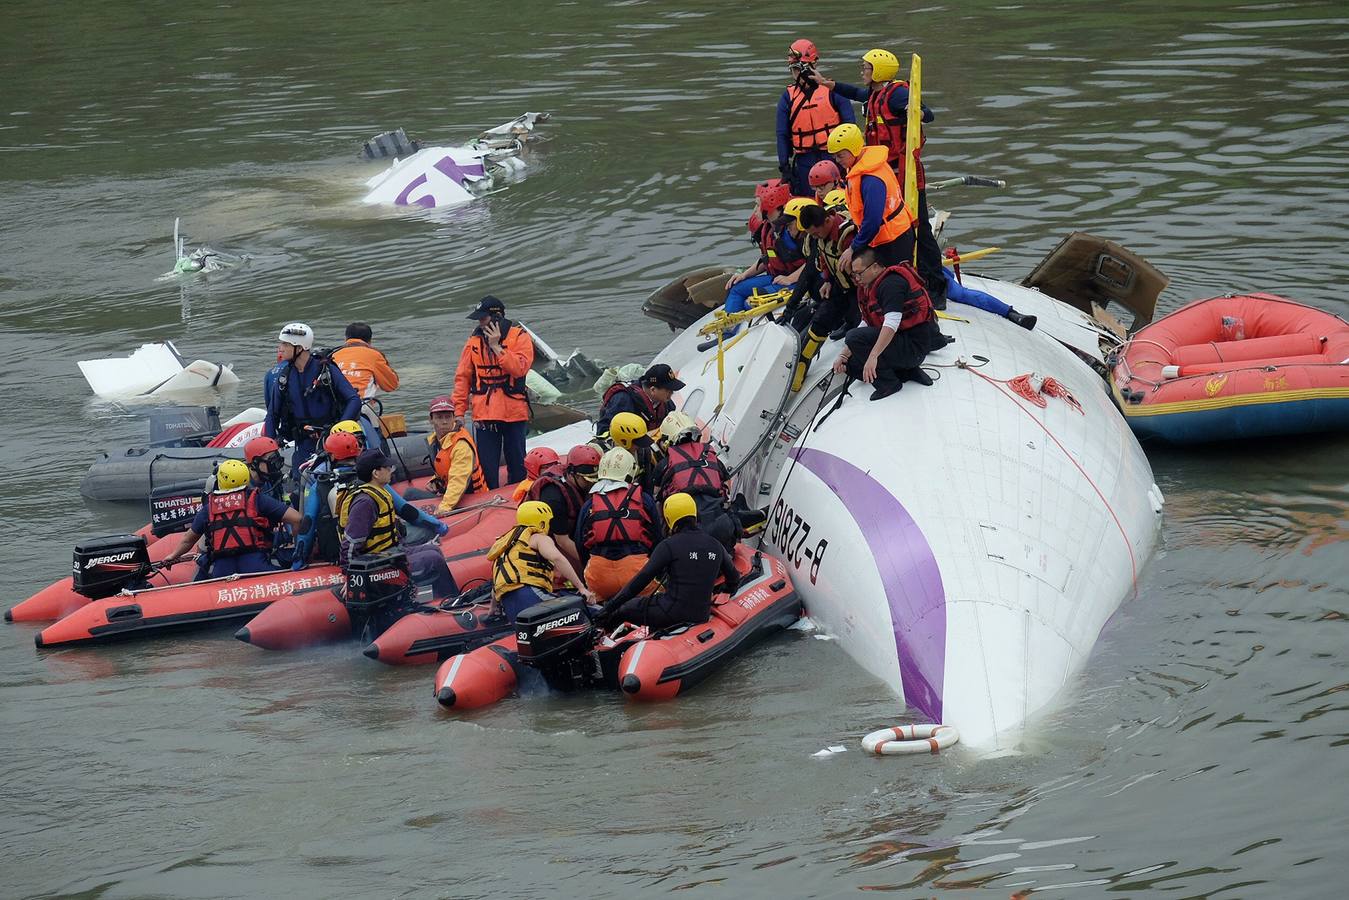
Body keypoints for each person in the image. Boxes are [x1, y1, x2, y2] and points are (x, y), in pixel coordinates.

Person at [594, 493, 741, 630]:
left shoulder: (668, 546)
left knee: (627, 607)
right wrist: (723, 591)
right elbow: (734, 579)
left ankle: (601, 634)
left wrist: (608, 609)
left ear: (669, 519)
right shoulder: (715, 545)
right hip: (701, 615)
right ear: (695, 515)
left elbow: (638, 583)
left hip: (669, 614)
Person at [337, 449, 458, 599]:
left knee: (434, 551)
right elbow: (350, 544)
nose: (390, 470)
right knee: (433, 559)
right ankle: (450, 598)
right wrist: (352, 577)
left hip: (391, 552)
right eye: (387, 467)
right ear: (376, 473)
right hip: (376, 563)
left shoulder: (379, 492)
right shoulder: (365, 502)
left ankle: (444, 598)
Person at [834, 247, 947, 400]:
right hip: (902, 343)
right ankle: (906, 372)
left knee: (853, 337)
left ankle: (888, 384)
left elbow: (892, 323)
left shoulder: (891, 284)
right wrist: (844, 354)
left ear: (875, 267)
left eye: (859, 273)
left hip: (914, 347)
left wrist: (873, 356)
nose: (857, 279)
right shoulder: (868, 287)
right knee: (851, 364)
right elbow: (867, 321)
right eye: (854, 275)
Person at [159, 459, 303, 578]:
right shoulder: (257, 499)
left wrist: (172, 556)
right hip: (257, 568)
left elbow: (188, 540)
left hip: (222, 572)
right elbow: (297, 518)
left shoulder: (209, 508)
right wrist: (297, 547)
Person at [264, 323, 362, 490]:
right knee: (300, 488)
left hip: (332, 440)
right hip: (303, 443)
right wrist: (269, 448)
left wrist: (338, 431)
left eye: (285, 344)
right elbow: (273, 414)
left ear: (300, 348)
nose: (280, 348)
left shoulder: (326, 370)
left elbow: (354, 400)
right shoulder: (284, 378)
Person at [451, 295, 534, 489]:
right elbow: (462, 378)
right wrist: (459, 413)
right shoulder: (473, 342)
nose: (480, 324)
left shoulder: (519, 337)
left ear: (497, 317)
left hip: (513, 413)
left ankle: (518, 503)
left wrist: (496, 347)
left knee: (518, 466)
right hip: (484, 414)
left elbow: (519, 368)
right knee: (487, 469)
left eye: (483, 319)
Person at [785, 196, 859, 390]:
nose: (815, 237)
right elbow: (823, 259)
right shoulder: (816, 237)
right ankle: (799, 371)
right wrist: (827, 280)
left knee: (858, 324)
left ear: (827, 221)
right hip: (837, 285)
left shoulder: (847, 235)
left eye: (816, 233)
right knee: (820, 322)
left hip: (860, 289)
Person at [826, 123, 917, 275]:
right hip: (881, 237)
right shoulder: (857, 166)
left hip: (894, 239)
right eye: (834, 156)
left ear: (854, 150)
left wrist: (853, 248)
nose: (837, 160)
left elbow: (872, 221)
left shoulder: (871, 180)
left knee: (896, 283)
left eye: (840, 155)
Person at [574, 448, 659, 602]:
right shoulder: (644, 499)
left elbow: (580, 544)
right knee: (656, 595)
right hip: (636, 573)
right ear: (631, 471)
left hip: (599, 576)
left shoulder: (590, 504)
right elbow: (657, 538)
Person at [488, 501, 595, 622]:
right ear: (542, 523)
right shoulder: (539, 538)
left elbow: (499, 580)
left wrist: (493, 606)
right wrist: (581, 588)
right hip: (529, 595)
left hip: (510, 605)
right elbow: (557, 558)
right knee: (588, 612)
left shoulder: (506, 543)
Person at [776, 39, 856, 196]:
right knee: (810, 203)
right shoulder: (788, 98)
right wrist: (784, 167)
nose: (795, 74)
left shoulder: (832, 91)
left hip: (835, 158)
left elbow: (850, 127)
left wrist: (850, 158)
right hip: (805, 161)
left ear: (811, 66)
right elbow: (782, 134)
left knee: (840, 198)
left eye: (798, 69)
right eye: (793, 69)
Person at [652, 411, 738, 551]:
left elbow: (655, 498)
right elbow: (727, 488)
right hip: (720, 529)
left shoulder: (664, 465)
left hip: (684, 536)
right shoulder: (713, 459)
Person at [723, 180, 807, 323]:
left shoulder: (794, 227)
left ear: (770, 203)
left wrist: (791, 278)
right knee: (736, 288)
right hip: (778, 277)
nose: (755, 210)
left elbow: (814, 260)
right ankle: (727, 332)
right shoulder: (768, 227)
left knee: (749, 303)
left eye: (757, 204)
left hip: (797, 281)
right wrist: (744, 275)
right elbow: (767, 258)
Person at [525, 444, 600, 571]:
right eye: (587, 480)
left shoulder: (581, 483)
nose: (591, 484)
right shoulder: (554, 497)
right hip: (554, 538)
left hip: (573, 529)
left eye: (594, 479)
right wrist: (590, 564)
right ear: (572, 474)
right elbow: (562, 540)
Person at [332, 322, 401, 448]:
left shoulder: (333, 355)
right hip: (361, 409)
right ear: (370, 340)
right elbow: (392, 385)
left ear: (346, 338)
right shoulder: (374, 355)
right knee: (379, 444)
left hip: (333, 409)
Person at [425, 395, 488, 515]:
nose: (444, 421)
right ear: (431, 419)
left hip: (471, 497)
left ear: (454, 418)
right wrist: (435, 481)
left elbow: (458, 480)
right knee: (410, 494)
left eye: (448, 417)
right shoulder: (437, 440)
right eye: (439, 417)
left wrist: (444, 508)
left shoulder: (461, 445)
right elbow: (445, 467)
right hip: (450, 491)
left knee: (410, 496)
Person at [596, 363, 684, 434]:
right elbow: (603, 430)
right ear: (653, 390)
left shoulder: (666, 403)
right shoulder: (624, 400)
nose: (672, 393)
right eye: (668, 390)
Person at [242, 436, 286, 502]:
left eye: (277, 461)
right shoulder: (245, 492)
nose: (276, 467)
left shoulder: (271, 481)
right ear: (255, 464)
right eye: (272, 462)